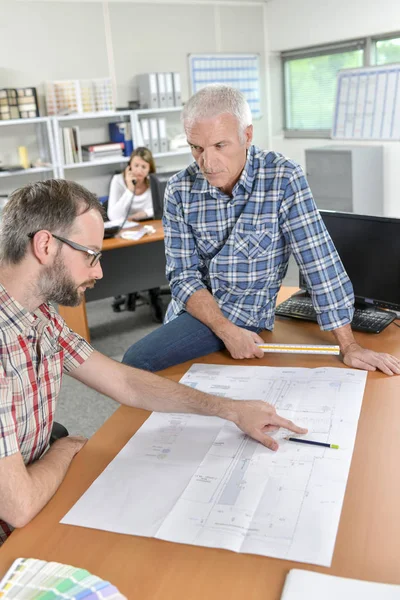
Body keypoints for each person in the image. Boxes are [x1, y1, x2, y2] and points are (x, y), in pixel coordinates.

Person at [0, 179, 306, 546]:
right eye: (90, 255)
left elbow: (124, 381)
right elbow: (17, 507)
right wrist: (62, 450)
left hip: (32, 476)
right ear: (46, 245)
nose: (98, 273)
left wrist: (231, 410)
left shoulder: (40, 313)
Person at [122, 84, 400, 376]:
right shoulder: (179, 189)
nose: (207, 162)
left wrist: (349, 346)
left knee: (134, 361)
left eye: (220, 145)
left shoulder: (282, 177)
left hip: (244, 314)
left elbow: (318, 261)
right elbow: (182, 276)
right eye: (197, 148)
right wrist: (226, 331)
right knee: (145, 368)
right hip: (192, 312)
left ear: (247, 136)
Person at [107, 147, 163, 320]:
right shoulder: (118, 181)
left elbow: (160, 206)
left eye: (144, 167)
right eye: (136, 165)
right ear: (129, 165)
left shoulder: (153, 183)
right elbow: (113, 215)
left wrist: (143, 214)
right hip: (123, 233)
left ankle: (153, 285)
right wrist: (130, 190)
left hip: (149, 230)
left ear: (149, 170)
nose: (139, 170)